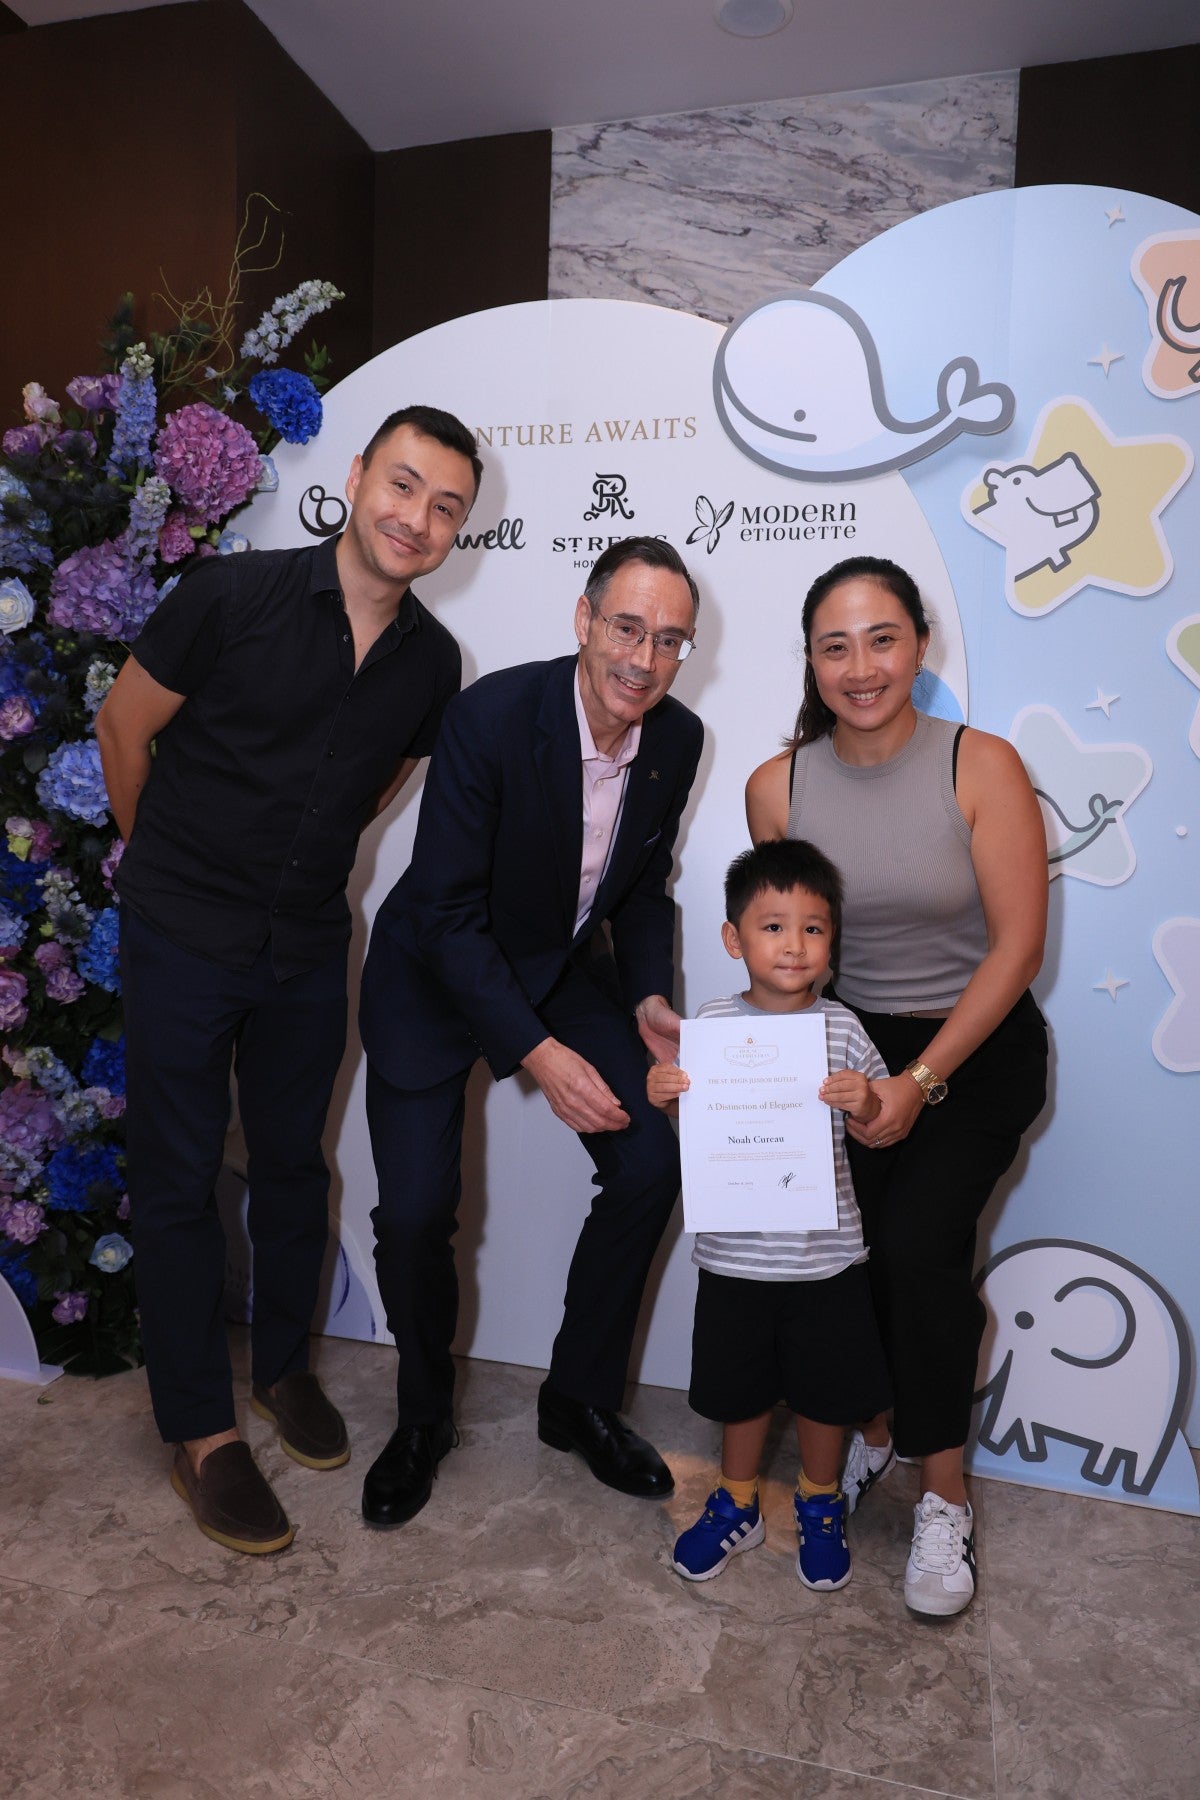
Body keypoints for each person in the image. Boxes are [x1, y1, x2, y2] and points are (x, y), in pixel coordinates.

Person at [96, 403, 482, 1554]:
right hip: (181, 930)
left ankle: (280, 1370)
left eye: (446, 506)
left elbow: (375, 787)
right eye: (403, 485)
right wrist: (169, 873)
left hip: (308, 943)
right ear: (356, 477)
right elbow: (123, 730)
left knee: (292, 1165)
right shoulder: (232, 596)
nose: (416, 518)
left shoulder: (433, 663)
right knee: (176, 1180)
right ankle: (200, 1430)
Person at [358, 535, 704, 1528]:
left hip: (556, 967)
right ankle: (423, 1418)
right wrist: (543, 1057)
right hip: (435, 970)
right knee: (414, 1215)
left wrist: (646, 996)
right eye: (628, 627)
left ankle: (577, 1402)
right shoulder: (491, 715)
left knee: (649, 1167)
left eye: (670, 640)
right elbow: (448, 916)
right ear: (584, 620)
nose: (645, 658)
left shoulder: (678, 739)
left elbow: (644, 888)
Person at [745, 554, 1048, 1617]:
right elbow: (791, 954)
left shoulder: (983, 765)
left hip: (976, 1047)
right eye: (836, 647)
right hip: (845, 1051)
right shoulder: (776, 787)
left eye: (882, 639)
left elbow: (1017, 949)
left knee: (920, 1249)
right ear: (811, 660)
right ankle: (877, 1430)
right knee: (844, 1262)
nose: (861, 667)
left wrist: (917, 1080)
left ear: (921, 644)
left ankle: (945, 1496)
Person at [648, 839, 891, 1590]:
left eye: (813, 928)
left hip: (826, 1260)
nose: (794, 945)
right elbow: (701, 1133)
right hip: (735, 1259)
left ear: (832, 940)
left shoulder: (842, 1028)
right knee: (740, 1390)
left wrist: (865, 1100)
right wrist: (667, 1098)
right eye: (774, 926)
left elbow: (881, 1119)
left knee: (825, 1394)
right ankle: (737, 1501)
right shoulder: (712, 1028)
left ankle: (820, 1502)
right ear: (735, 939)